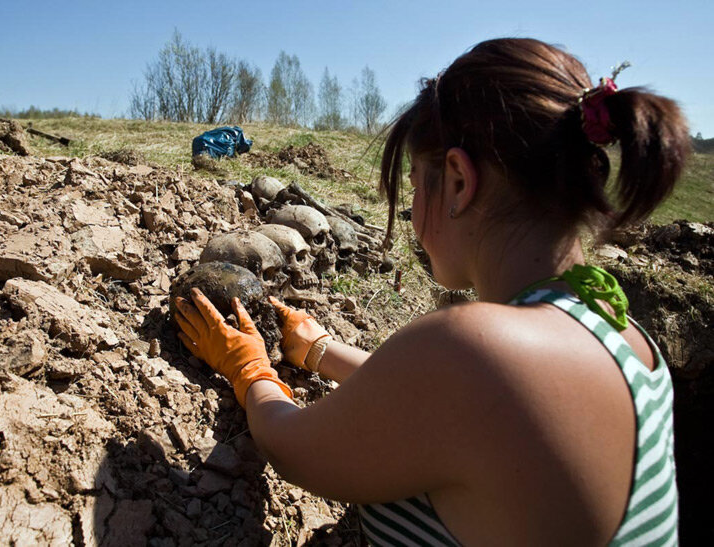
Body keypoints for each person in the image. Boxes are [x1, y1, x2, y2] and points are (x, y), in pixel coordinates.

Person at [175, 38, 689, 546]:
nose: (413, 203)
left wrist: (250, 372)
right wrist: (320, 351)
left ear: (460, 182)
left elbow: (292, 448)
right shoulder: (624, 335)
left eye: (418, 182)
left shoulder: (474, 349)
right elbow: (457, 408)